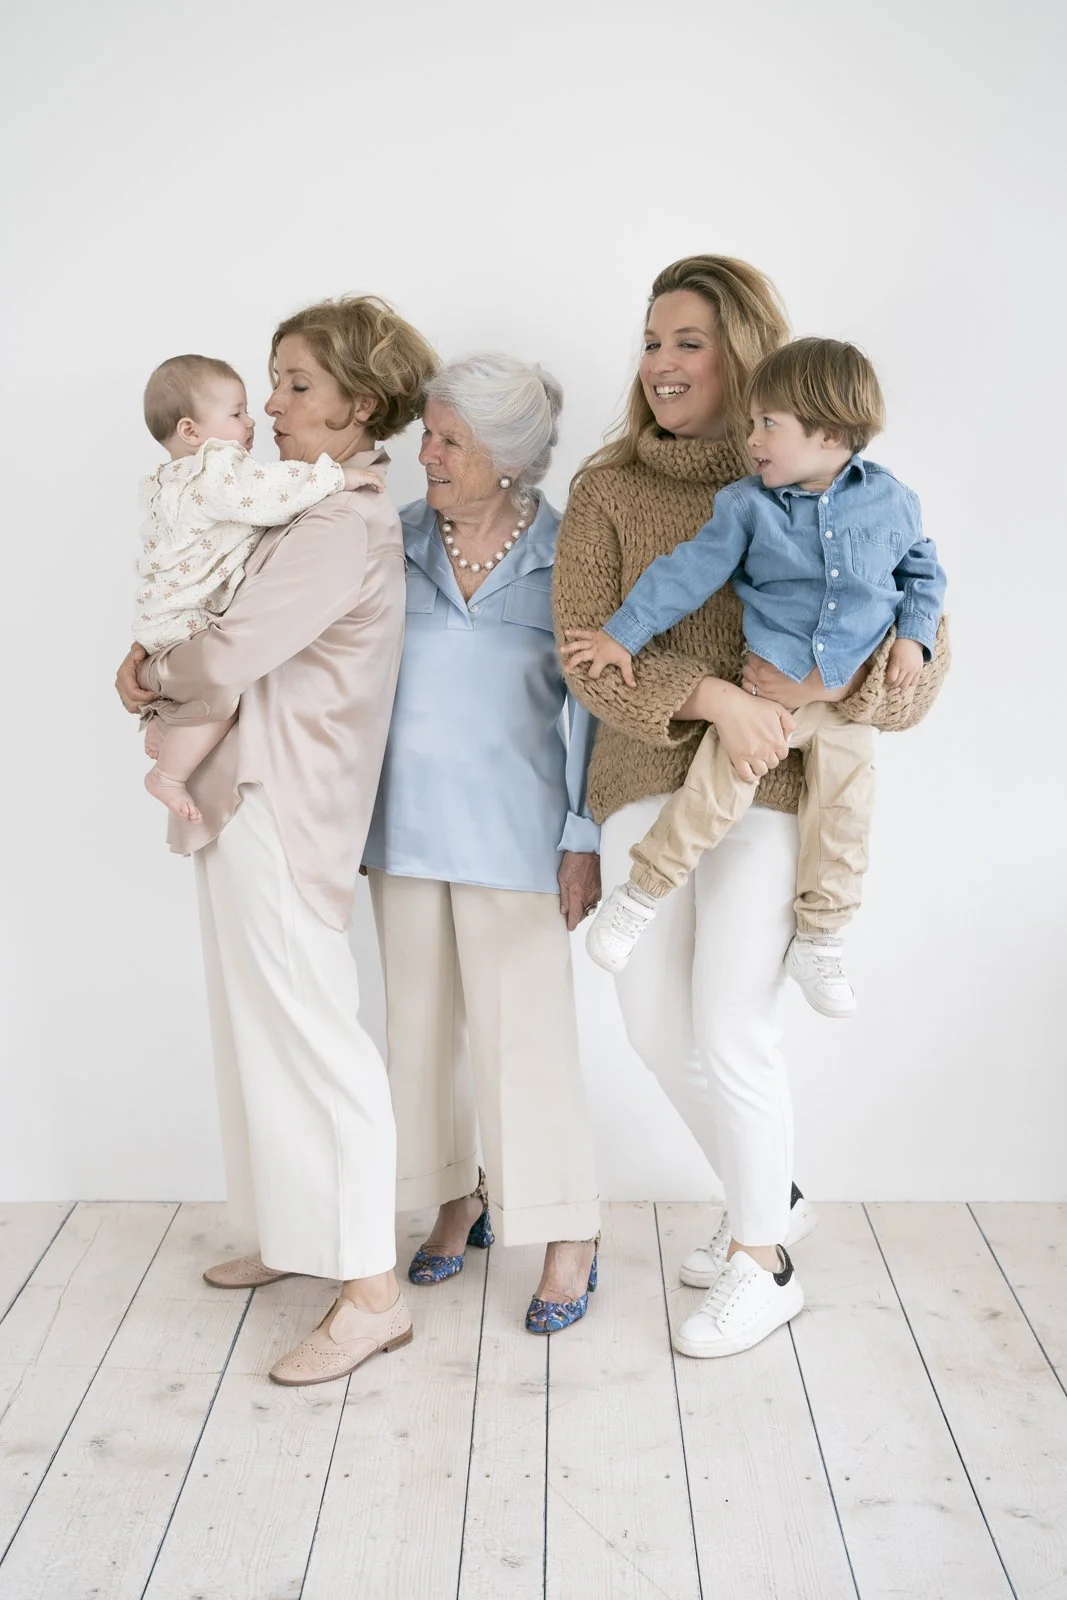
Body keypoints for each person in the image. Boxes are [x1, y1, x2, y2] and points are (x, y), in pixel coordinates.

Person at [554, 257, 949, 1359]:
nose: (662, 364)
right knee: (651, 1022)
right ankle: (770, 1194)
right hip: (643, 772)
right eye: (651, 341)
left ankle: (760, 1259)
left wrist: (817, 691)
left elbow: (913, 674)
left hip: (775, 780)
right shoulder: (606, 489)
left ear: (744, 356)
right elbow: (585, 655)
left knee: (732, 1019)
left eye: (688, 341)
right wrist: (716, 699)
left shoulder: (845, 490)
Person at [115, 296, 438, 1385]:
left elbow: (227, 653)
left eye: (297, 384)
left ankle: (371, 1293)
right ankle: (295, 1233)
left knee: (311, 1032)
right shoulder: (294, 506)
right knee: (254, 1024)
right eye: (274, 379)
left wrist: (151, 673)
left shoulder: (342, 520)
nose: (272, 404)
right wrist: (157, 661)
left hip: (285, 800)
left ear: (360, 402)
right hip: (241, 790)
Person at [566, 337, 947, 1018]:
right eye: (750, 423)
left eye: (768, 424)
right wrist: (620, 634)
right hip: (766, 696)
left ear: (830, 433)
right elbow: (684, 574)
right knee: (711, 796)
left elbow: (922, 572)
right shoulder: (747, 506)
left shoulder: (892, 501)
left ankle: (821, 937)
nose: (752, 440)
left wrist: (914, 638)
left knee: (845, 818)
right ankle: (641, 894)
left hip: (845, 708)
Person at [362, 353, 602, 1334]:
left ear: (506, 455)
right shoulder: (388, 539)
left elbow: (594, 713)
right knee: (417, 1035)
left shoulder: (568, 554)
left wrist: (583, 836)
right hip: (401, 831)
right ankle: (453, 1198)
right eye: (427, 434)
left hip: (516, 839)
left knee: (524, 1043)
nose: (425, 454)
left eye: (448, 440)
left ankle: (567, 1228)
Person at [135, 353, 383, 822]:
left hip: (161, 616)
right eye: (236, 413)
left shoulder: (167, 480)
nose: (254, 419)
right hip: (186, 617)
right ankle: (167, 775)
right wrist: (337, 477)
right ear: (190, 431)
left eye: (297, 386)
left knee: (206, 681)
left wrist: (146, 668)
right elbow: (270, 492)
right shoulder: (217, 468)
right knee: (223, 702)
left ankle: (166, 724)